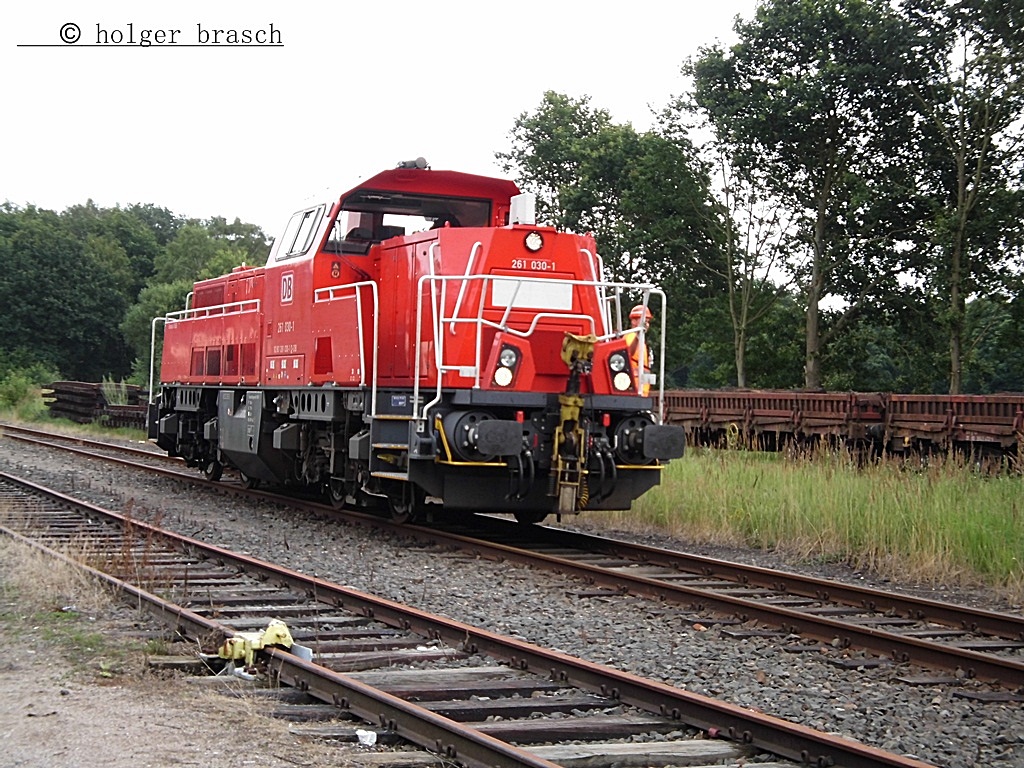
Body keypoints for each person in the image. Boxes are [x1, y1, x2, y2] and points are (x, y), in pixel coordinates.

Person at [625, 305, 653, 396]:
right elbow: (628, 353)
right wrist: (638, 335)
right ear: (633, 321)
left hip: (640, 391)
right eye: (644, 321)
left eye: (648, 322)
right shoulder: (631, 336)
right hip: (634, 390)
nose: (647, 325)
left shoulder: (640, 339)